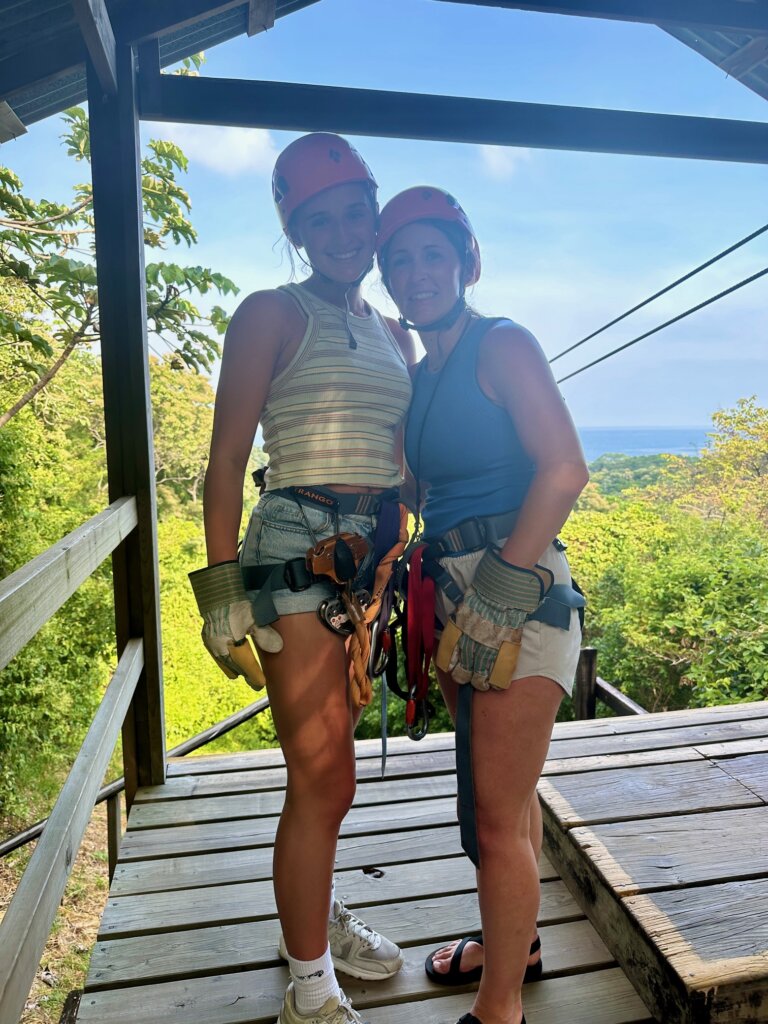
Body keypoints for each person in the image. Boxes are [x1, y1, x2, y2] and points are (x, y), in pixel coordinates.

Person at [190, 133, 415, 1024]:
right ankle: (309, 987)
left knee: (331, 767)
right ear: (295, 233)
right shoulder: (270, 315)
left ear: (375, 215)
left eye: (355, 213)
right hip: (296, 543)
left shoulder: (392, 331)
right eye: (319, 220)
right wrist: (223, 596)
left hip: (370, 557)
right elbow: (224, 464)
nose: (342, 233)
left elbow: (405, 460)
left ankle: (310, 922)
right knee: (323, 774)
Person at [376, 186, 589, 1024]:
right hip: (453, 589)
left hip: (516, 588)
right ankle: (516, 950)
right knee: (506, 800)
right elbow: (421, 488)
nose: (416, 272)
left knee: (493, 820)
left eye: (433, 254)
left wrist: (500, 589)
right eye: (399, 259)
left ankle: (500, 1009)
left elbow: (564, 468)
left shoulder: (502, 344)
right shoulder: (424, 372)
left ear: (468, 262)